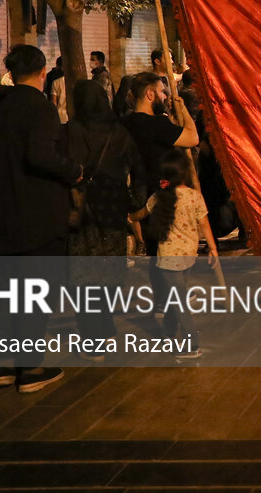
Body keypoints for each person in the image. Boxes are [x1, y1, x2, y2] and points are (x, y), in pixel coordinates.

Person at [0, 44, 82, 394]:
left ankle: (1, 367)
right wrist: (74, 171)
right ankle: (31, 367)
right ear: (42, 73)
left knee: (3, 295)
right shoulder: (40, 107)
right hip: (36, 213)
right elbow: (41, 155)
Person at [65, 79, 147, 355]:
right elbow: (138, 171)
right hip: (113, 206)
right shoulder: (119, 132)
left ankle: (92, 334)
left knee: (83, 272)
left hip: (80, 207)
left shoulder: (70, 131)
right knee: (110, 267)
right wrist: (135, 205)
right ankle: (107, 324)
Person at [129, 149, 219, 359]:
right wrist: (213, 249)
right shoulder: (194, 197)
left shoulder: (158, 197)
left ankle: (191, 345)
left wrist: (129, 217)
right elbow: (204, 224)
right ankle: (169, 333)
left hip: (168, 258)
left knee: (178, 301)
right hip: (189, 255)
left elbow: (140, 214)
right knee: (174, 296)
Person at [123, 72, 199, 194]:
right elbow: (193, 138)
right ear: (150, 94)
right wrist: (183, 110)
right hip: (159, 195)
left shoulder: (126, 120)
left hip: (137, 190)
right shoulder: (157, 124)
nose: (164, 97)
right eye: (161, 91)